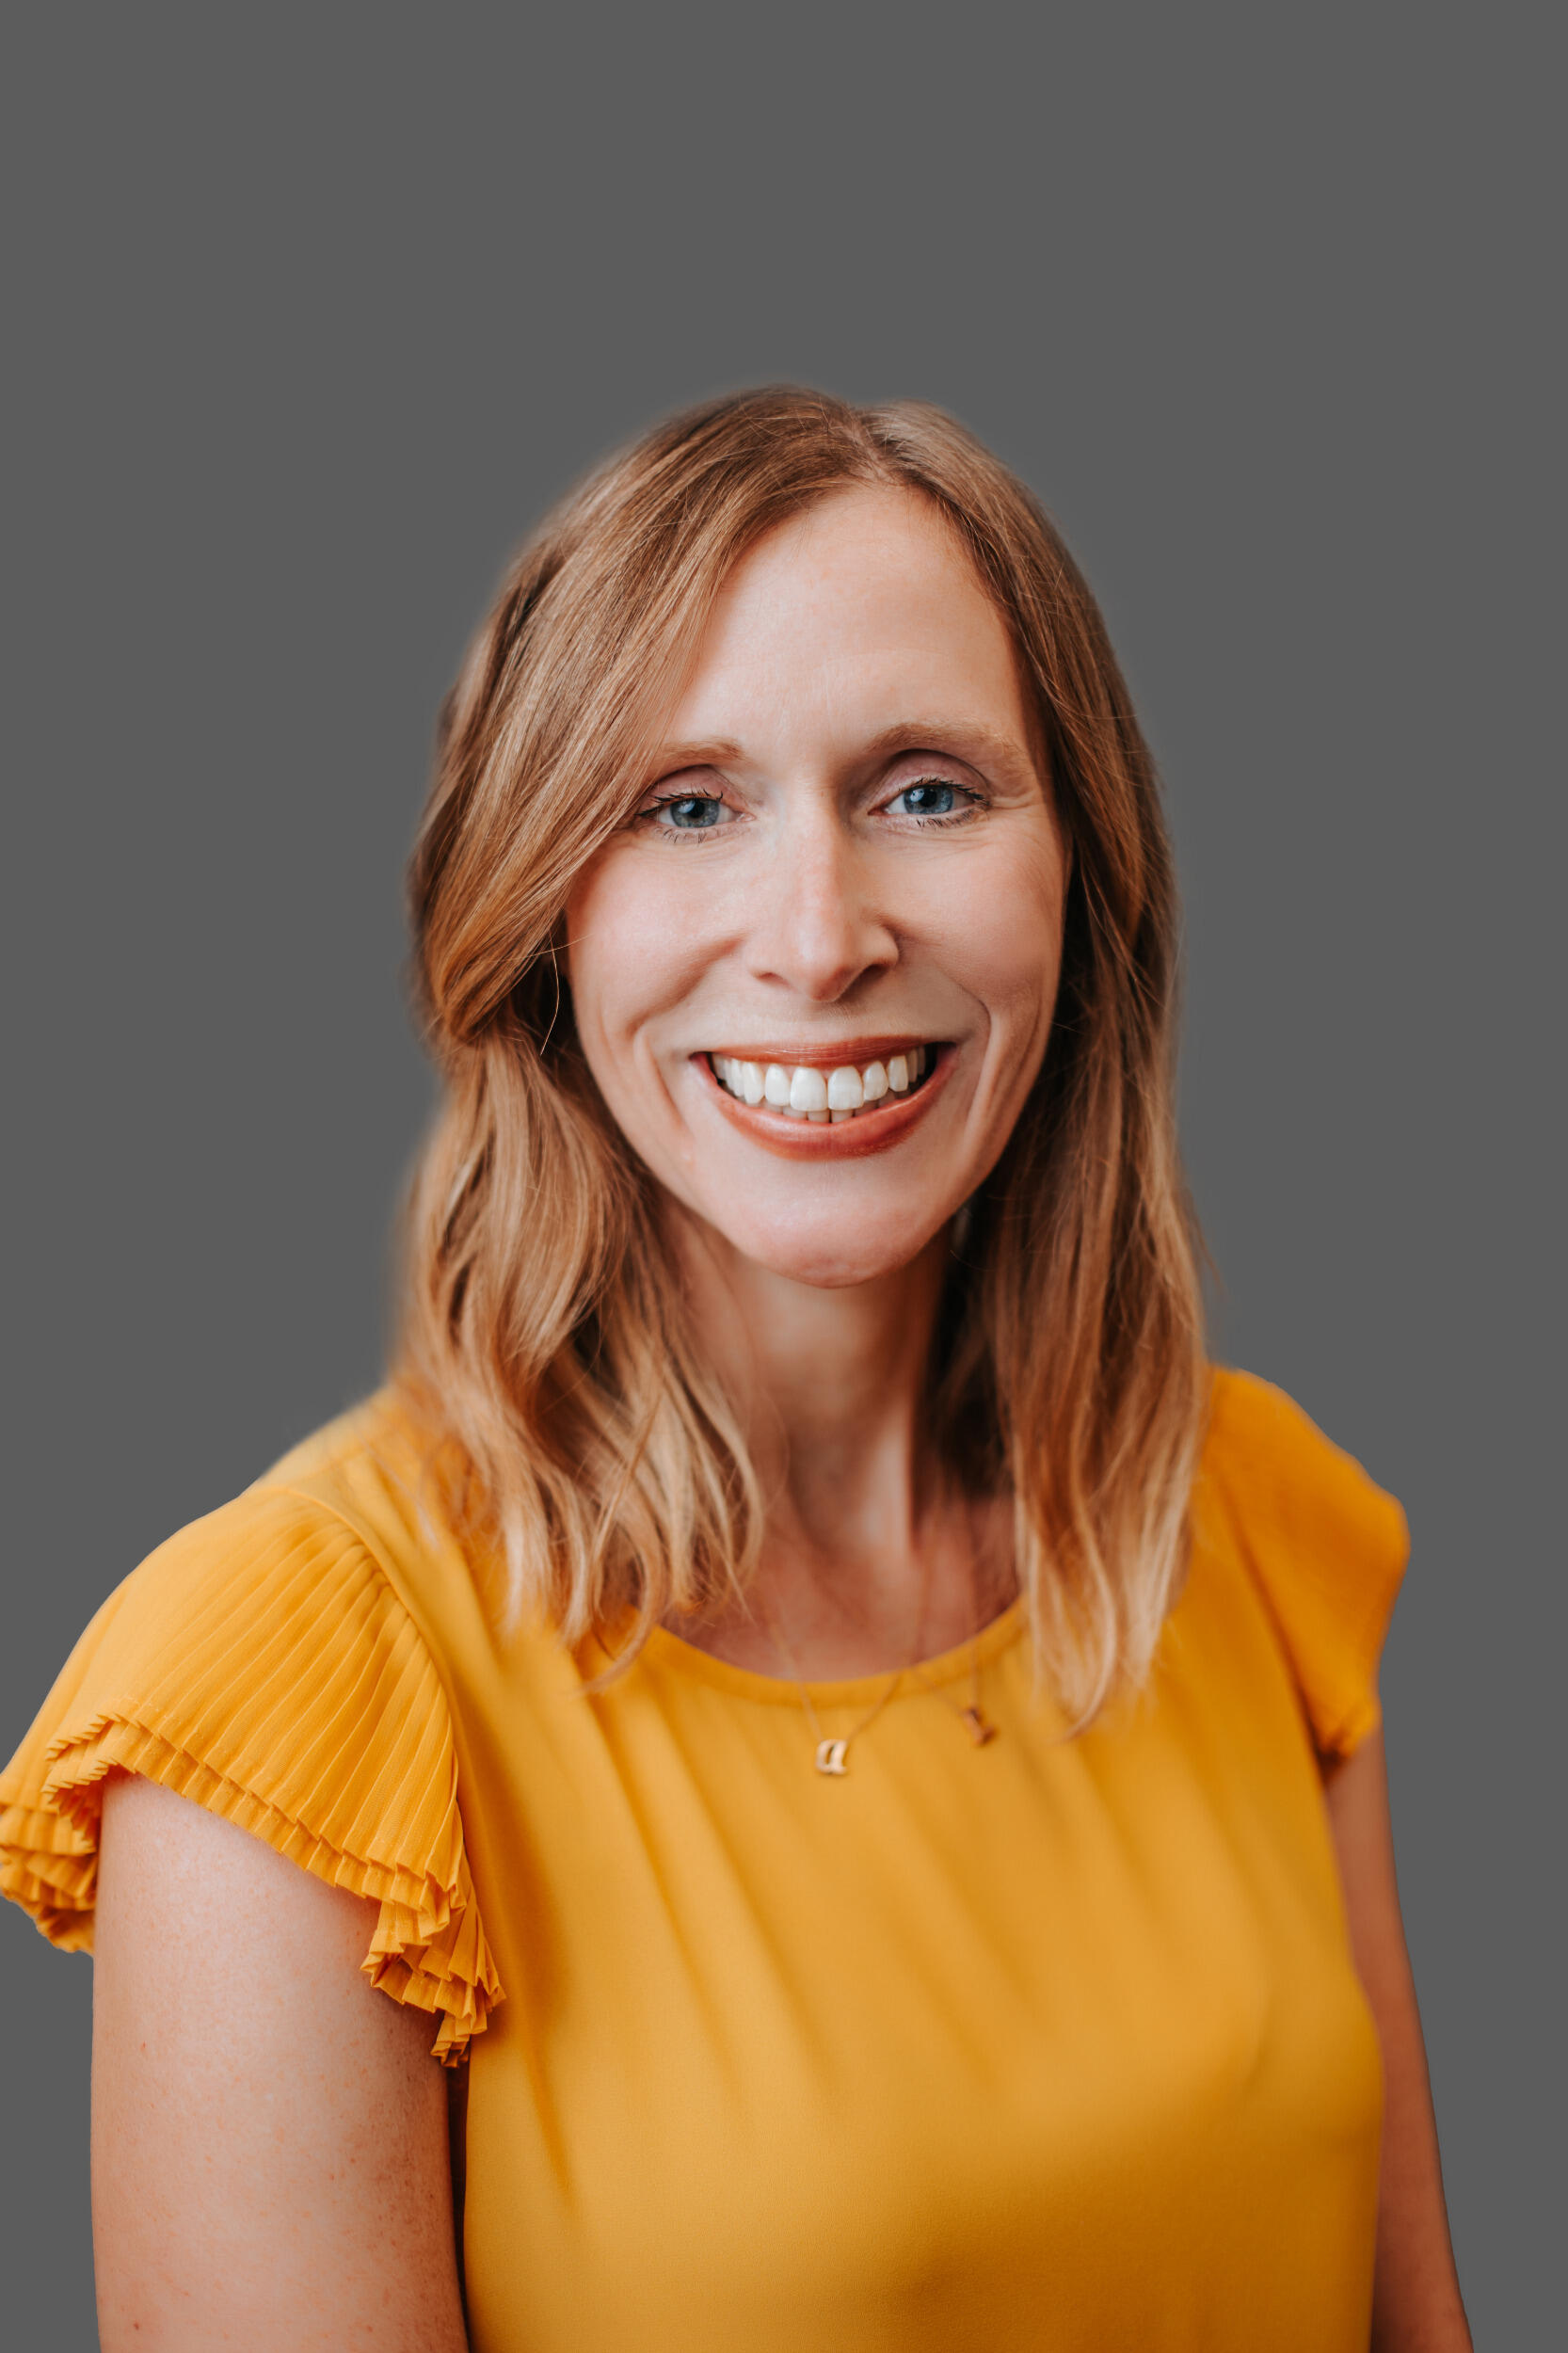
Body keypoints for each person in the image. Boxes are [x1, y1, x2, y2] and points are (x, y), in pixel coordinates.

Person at [0, 388, 1470, 2351]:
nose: (818, 937)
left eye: (925, 791)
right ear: (540, 913)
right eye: (684, 805)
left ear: (1080, 870)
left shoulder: (1242, 1511)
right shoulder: (290, 1692)